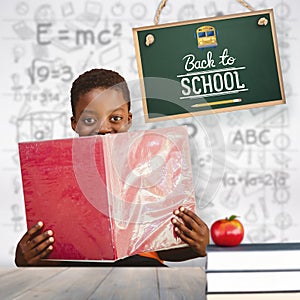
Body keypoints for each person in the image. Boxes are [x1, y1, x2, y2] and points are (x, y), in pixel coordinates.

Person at [15, 68, 209, 267]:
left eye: (115, 118)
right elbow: (54, 250)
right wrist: (25, 258)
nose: (104, 128)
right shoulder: (52, 172)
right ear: (74, 124)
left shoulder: (152, 164)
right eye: (89, 120)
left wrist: (197, 245)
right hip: (81, 277)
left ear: (128, 120)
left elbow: (160, 247)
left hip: (142, 274)